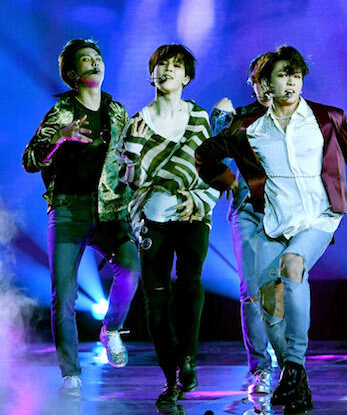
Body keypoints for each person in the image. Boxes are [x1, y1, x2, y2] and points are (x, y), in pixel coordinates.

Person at [195, 45, 347, 413]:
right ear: (265, 84)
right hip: (273, 218)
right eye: (282, 75)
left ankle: (294, 364)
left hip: (318, 215)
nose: (291, 81)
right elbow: (204, 154)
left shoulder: (327, 117)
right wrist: (225, 178)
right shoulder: (248, 127)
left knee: (293, 265)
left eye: (295, 75)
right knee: (266, 300)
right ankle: (293, 375)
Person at [22, 39, 141, 397]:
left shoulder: (117, 112)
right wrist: (59, 138)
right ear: (72, 74)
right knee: (64, 296)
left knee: (131, 269)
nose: (94, 63)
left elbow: (125, 163)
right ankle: (71, 374)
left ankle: (112, 329)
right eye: (86, 60)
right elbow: (30, 160)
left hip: (110, 210)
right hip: (68, 210)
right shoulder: (62, 112)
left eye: (97, 57)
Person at [116, 44, 218, 410]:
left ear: (187, 77)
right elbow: (128, 180)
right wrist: (133, 149)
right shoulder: (137, 122)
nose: (167, 70)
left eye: (176, 65)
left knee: (190, 284)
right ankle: (170, 378)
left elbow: (210, 167)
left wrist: (198, 201)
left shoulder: (199, 118)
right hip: (151, 217)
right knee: (156, 297)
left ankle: (188, 357)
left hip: (192, 213)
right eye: (161, 64)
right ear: (151, 74)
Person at [209, 56, 276, 395]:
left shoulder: (300, 117)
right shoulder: (240, 118)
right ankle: (260, 367)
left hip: (287, 213)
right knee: (251, 290)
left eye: (270, 79)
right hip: (248, 210)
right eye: (258, 80)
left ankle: (286, 358)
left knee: (281, 289)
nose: (265, 87)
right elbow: (213, 151)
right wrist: (219, 118)